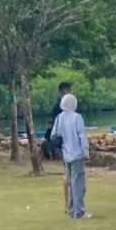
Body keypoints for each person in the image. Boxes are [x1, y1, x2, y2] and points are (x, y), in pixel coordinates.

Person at [51, 93, 90, 219]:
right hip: (77, 154)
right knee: (78, 183)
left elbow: (54, 135)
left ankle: (71, 209)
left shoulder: (59, 118)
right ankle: (79, 211)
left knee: (71, 183)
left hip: (65, 154)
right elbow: (82, 136)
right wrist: (86, 152)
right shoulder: (77, 117)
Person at [43, 81, 72, 211]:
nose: (68, 93)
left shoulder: (73, 108)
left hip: (73, 146)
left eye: (69, 90)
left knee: (75, 176)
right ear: (61, 92)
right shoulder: (57, 109)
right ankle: (68, 204)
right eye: (66, 91)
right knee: (68, 174)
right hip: (64, 145)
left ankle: (74, 203)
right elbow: (54, 130)